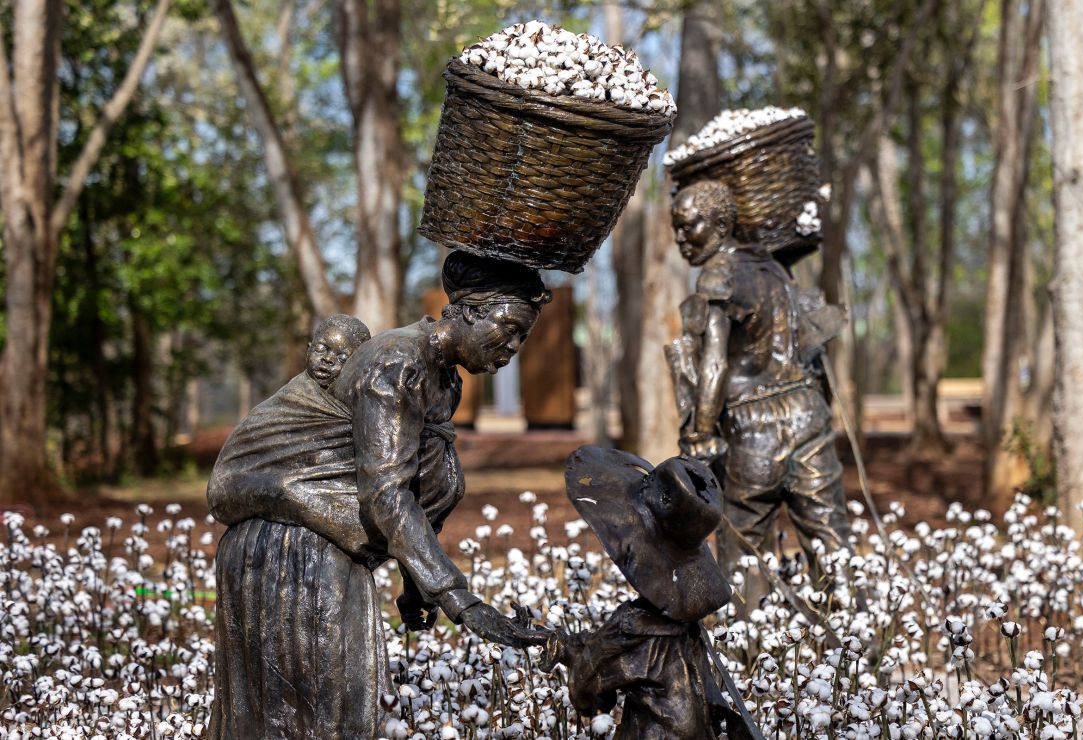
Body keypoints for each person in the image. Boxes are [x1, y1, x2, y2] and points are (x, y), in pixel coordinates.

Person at [207, 250, 551, 739]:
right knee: (309, 718)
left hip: (328, 549)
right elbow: (387, 494)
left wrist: (416, 584)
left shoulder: (442, 376)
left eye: (522, 334)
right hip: (291, 549)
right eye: (509, 327)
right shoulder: (397, 362)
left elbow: (418, 481)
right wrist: (465, 604)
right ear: (470, 312)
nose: (513, 345)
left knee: (346, 712)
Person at [669, 179, 852, 585]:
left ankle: (747, 647)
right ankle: (859, 642)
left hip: (754, 428)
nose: (681, 238)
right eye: (676, 228)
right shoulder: (773, 269)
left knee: (744, 547)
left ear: (719, 225)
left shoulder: (718, 275)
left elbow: (714, 364)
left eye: (689, 226)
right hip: (808, 415)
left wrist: (700, 433)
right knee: (830, 536)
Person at [544, 446, 763, 740]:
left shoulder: (630, 626)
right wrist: (578, 645)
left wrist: (571, 659)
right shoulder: (687, 626)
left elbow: (586, 686)